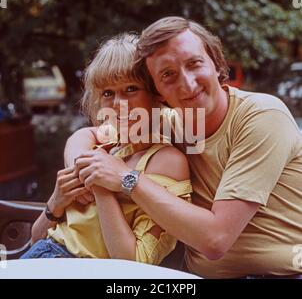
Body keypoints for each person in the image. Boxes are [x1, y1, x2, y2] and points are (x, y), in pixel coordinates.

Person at [64, 17, 302, 279]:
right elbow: (85, 135)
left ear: (217, 63)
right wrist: (83, 172)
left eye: (194, 63)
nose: (188, 84)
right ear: (159, 93)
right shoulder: (168, 122)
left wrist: (125, 178)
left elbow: (216, 240)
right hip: (191, 276)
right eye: (168, 75)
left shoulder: (262, 116)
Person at [20, 33, 193, 265]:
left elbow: (133, 264)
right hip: (44, 256)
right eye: (108, 93)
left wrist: (101, 185)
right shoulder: (109, 144)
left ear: (155, 94)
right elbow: (36, 240)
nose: (119, 104)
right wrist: (56, 203)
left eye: (131, 89)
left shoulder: (165, 160)